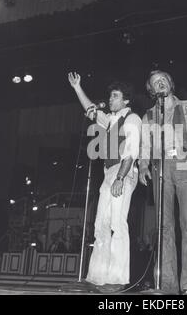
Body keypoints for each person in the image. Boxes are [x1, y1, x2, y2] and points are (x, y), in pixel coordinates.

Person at [68, 72, 141, 293]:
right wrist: (77, 87)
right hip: (109, 172)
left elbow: (132, 151)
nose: (110, 100)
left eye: (115, 96)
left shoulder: (132, 118)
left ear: (126, 100)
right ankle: (97, 277)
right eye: (110, 96)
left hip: (124, 172)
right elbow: (91, 109)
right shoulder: (110, 120)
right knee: (101, 225)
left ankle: (118, 279)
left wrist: (120, 177)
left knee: (117, 224)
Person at [139, 70, 187, 295]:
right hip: (160, 168)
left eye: (163, 79)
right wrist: (142, 165)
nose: (160, 83)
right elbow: (144, 147)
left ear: (170, 83)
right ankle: (167, 285)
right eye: (155, 82)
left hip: (184, 164)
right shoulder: (148, 116)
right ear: (151, 90)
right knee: (164, 227)